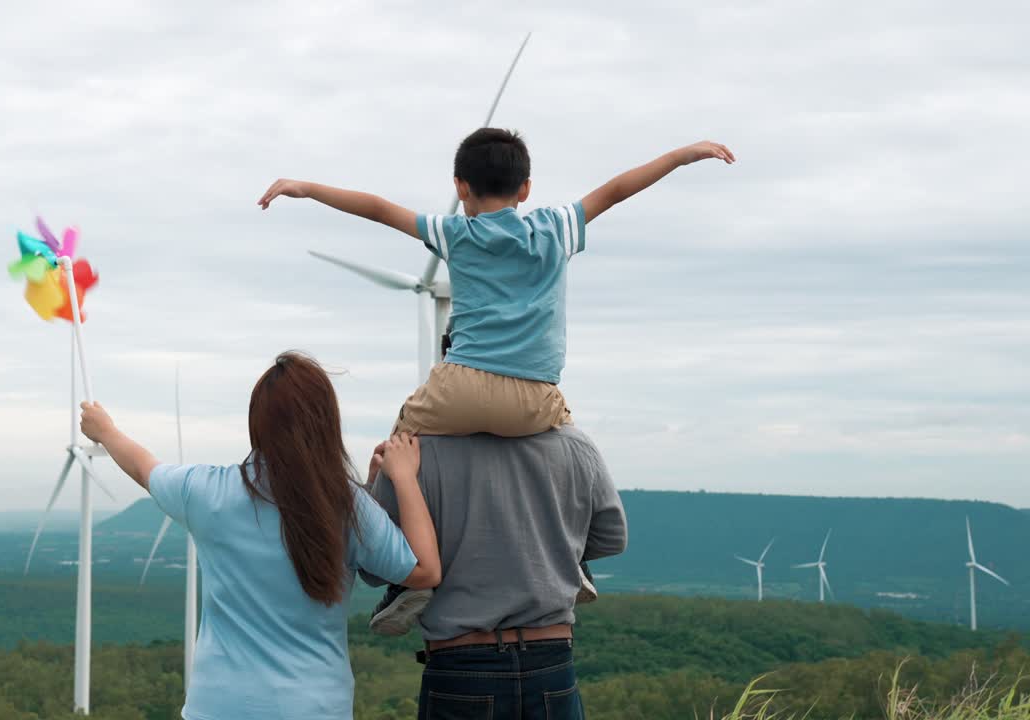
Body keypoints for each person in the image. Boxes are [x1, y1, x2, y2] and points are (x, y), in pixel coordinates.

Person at [258, 128, 735, 438]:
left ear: (460, 186)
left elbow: (379, 208)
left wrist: (307, 188)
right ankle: (580, 554)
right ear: (525, 188)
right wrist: (681, 155)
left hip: (460, 387)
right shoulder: (555, 229)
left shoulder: (456, 233)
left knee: (399, 444)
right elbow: (616, 190)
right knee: (574, 452)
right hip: (535, 396)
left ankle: (388, 551)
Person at [79, 351, 442, 720]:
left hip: (218, 707)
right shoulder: (346, 506)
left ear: (257, 423)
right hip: (314, 708)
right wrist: (403, 477)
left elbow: (144, 467)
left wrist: (105, 430)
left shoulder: (209, 492)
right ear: (325, 422)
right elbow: (424, 570)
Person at [362, 429, 627, 719]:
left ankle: (404, 594)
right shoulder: (575, 444)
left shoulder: (412, 451)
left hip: (461, 665)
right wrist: (553, 549)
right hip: (552, 659)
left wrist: (373, 487)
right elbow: (611, 538)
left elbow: (373, 566)